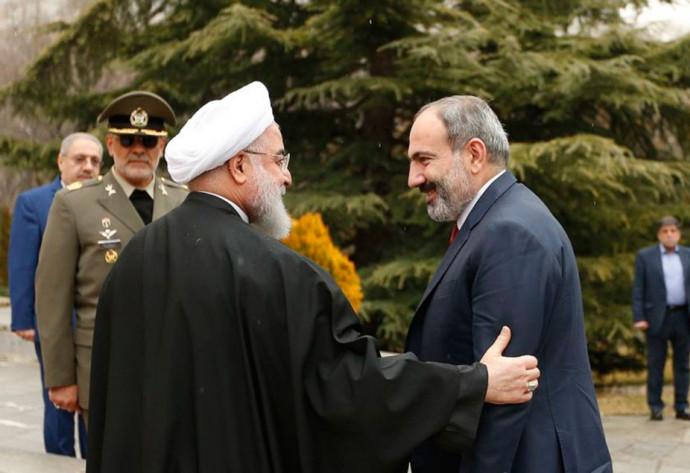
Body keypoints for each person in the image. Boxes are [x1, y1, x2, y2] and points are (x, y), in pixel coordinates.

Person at [86, 82, 540, 473]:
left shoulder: (133, 260)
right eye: (278, 160)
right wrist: (474, 384)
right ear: (239, 166)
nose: (287, 178)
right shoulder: (275, 273)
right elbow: (351, 389)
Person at [405, 96, 612, 473]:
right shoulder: (496, 220)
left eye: (424, 160)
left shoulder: (509, 233)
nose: (413, 178)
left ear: (474, 155)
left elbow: (507, 394)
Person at [35, 91, 188, 430]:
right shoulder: (73, 204)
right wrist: (61, 377)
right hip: (104, 367)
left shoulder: (184, 202)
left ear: (162, 146)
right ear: (111, 144)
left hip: (175, 369)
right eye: (127, 140)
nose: (138, 149)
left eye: (148, 142)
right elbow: (52, 297)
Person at [8, 132, 101, 457]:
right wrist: (23, 319)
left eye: (94, 161)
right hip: (53, 325)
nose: (87, 167)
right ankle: (60, 463)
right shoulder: (34, 203)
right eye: (79, 159)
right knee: (59, 403)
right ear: (61, 161)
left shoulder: (106, 203)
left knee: (95, 401)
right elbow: (22, 263)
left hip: (94, 325)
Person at [632, 216, 690, 421]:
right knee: (656, 364)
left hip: (683, 316)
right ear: (659, 235)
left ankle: (682, 406)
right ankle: (655, 406)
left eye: (673, 231)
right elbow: (638, 288)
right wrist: (639, 316)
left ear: (679, 234)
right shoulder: (645, 256)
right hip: (657, 318)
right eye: (665, 231)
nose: (669, 235)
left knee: (683, 364)